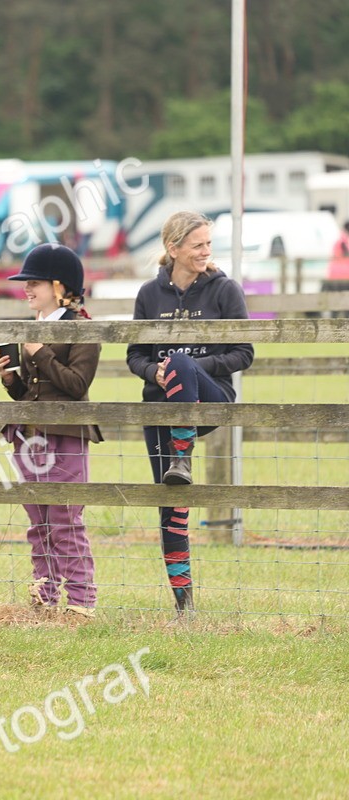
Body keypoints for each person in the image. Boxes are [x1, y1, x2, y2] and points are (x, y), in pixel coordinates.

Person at [126, 211, 254, 614]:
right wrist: (156, 372)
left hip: (211, 401)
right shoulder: (149, 294)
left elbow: (244, 353)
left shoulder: (224, 290)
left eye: (208, 245)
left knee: (182, 358)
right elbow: (134, 356)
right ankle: (184, 604)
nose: (206, 252)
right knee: (171, 506)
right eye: (198, 245)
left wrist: (191, 369)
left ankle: (183, 458)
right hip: (161, 405)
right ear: (174, 248)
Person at [0, 243, 103, 618]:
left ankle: (81, 601)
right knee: (38, 518)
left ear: (60, 286)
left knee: (65, 517)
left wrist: (40, 352)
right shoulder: (34, 328)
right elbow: (32, 391)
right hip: (30, 434)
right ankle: (45, 593)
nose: (27, 289)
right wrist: (11, 381)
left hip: (67, 434)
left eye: (35, 283)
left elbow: (76, 385)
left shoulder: (83, 329)